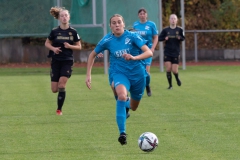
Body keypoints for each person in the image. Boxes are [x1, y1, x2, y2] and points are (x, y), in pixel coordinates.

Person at [85, 14, 153, 145]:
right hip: (119, 73)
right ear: (110, 26)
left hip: (138, 75)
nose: (116, 25)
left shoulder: (132, 36)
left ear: (123, 24)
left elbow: (148, 52)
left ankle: (126, 105)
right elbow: (92, 54)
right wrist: (88, 75)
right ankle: (122, 133)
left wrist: (134, 57)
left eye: (119, 22)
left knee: (133, 107)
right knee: (121, 96)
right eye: (114, 23)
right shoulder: (107, 40)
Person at [45, 6, 81, 115]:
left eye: (66, 15)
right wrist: (54, 49)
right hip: (56, 61)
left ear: (69, 17)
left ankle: (59, 109)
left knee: (61, 85)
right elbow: (47, 43)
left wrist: (70, 46)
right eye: (62, 16)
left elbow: (79, 46)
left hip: (67, 61)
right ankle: (59, 105)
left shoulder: (73, 32)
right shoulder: (54, 31)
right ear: (59, 18)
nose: (64, 17)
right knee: (54, 89)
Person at [133, 8, 158, 96]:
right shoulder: (135, 25)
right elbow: (134, 37)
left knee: (147, 71)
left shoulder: (151, 24)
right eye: (141, 13)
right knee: (140, 70)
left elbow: (155, 37)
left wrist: (153, 48)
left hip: (147, 51)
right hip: (138, 51)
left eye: (144, 13)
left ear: (146, 15)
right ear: (138, 15)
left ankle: (147, 86)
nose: (142, 15)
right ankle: (140, 87)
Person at [158, 14, 185, 89]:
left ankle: (177, 78)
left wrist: (180, 38)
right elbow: (159, 38)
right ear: (169, 20)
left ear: (176, 20)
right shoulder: (165, 30)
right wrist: (164, 38)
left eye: (174, 19)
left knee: (174, 70)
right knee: (168, 69)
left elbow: (183, 38)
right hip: (167, 52)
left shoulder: (180, 30)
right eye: (172, 18)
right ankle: (170, 85)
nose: (173, 20)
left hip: (176, 52)